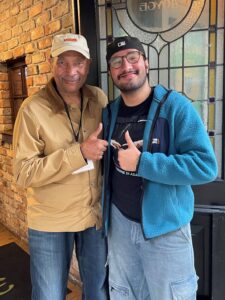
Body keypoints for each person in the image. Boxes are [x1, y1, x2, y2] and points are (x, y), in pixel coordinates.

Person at [102, 36, 218, 300]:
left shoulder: (175, 107)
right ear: (110, 71)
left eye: (132, 58)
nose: (126, 66)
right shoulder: (108, 113)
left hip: (165, 230)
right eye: (117, 62)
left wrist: (143, 163)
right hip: (119, 228)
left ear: (146, 62)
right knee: (124, 295)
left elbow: (205, 166)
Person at [13, 33, 109, 300]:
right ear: (50, 63)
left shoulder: (98, 99)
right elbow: (22, 173)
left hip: (92, 217)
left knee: (98, 292)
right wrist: (78, 152)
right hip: (51, 221)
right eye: (62, 62)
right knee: (49, 295)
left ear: (88, 64)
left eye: (78, 62)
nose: (71, 71)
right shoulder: (32, 110)